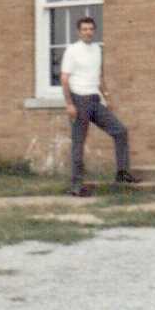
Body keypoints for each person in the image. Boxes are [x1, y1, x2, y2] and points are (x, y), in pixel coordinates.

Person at [60, 16, 140, 196]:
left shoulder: (97, 49)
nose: (88, 32)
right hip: (78, 100)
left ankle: (122, 173)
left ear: (94, 31)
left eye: (90, 29)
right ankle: (76, 187)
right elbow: (64, 79)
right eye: (84, 29)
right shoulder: (72, 51)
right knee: (78, 143)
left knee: (120, 131)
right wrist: (69, 104)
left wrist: (108, 97)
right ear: (78, 32)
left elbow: (99, 77)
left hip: (95, 100)